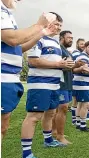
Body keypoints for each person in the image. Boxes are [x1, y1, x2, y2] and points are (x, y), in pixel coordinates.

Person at [20, 13, 75, 158]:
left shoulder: (56, 43)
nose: (58, 27)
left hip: (54, 84)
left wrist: (65, 64)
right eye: (56, 24)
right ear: (47, 22)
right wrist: (59, 65)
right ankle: (26, 154)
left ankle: (48, 140)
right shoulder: (38, 38)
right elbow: (33, 61)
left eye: (60, 26)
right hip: (40, 84)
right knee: (34, 116)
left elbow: (55, 63)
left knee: (50, 113)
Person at [1, 0, 56, 141]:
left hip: (9, 77)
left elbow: (18, 48)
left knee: (3, 126)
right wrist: (39, 25)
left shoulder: (7, 13)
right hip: (3, 76)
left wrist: (41, 32)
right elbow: (13, 39)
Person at [52, 30, 74, 145]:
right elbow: (57, 64)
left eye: (72, 38)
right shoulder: (58, 49)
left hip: (68, 82)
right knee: (63, 108)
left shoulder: (67, 51)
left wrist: (76, 64)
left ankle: (55, 132)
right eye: (69, 37)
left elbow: (70, 66)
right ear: (61, 37)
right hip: (61, 83)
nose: (71, 40)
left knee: (59, 108)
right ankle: (60, 136)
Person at [71, 38, 86, 125]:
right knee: (75, 100)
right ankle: (74, 120)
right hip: (75, 78)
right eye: (81, 44)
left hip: (78, 78)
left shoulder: (80, 53)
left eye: (84, 44)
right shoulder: (76, 53)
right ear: (77, 44)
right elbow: (81, 63)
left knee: (77, 101)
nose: (83, 45)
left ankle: (76, 119)